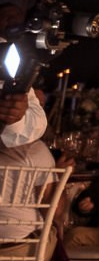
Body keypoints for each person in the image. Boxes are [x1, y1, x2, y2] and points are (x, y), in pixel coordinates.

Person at [0, 88, 56, 242]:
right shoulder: (36, 150)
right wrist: (61, 178)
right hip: (19, 243)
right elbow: (54, 209)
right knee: (55, 232)